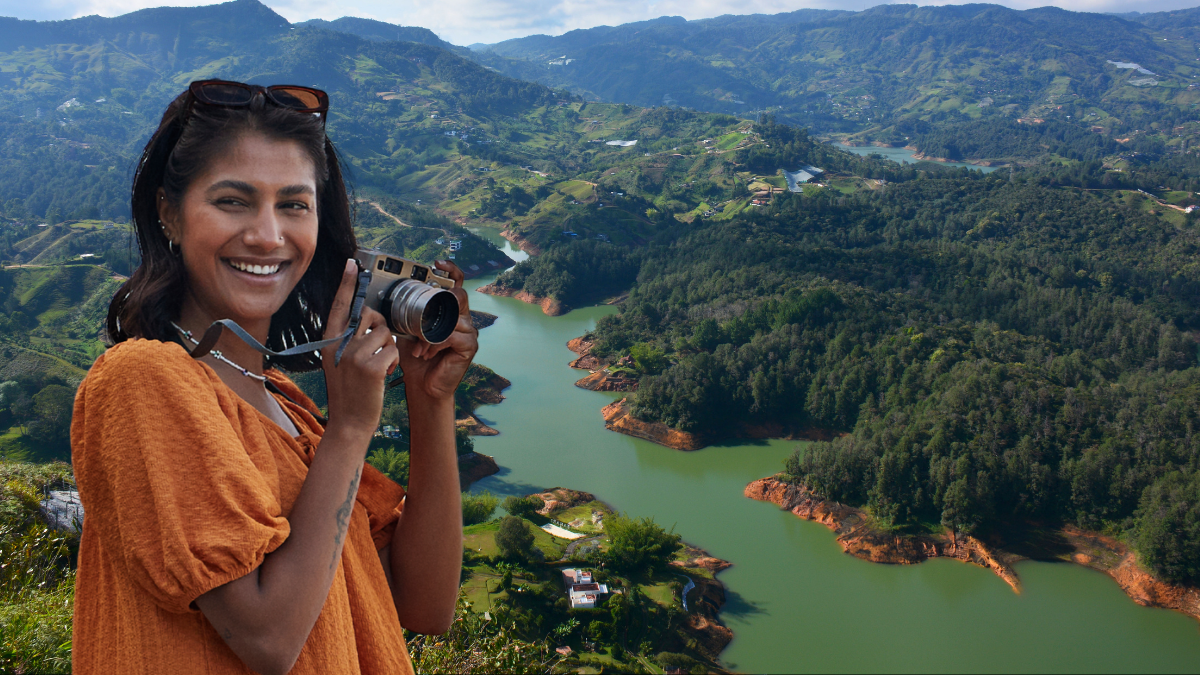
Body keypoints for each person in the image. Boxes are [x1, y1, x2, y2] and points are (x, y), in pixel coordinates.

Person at [70, 80, 476, 674]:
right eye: (233, 201)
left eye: (294, 205)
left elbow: (425, 605)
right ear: (169, 214)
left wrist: (430, 396)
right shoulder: (142, 379)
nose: (267, 235)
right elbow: (266, 639)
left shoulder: (285, 404)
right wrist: (351, 427)